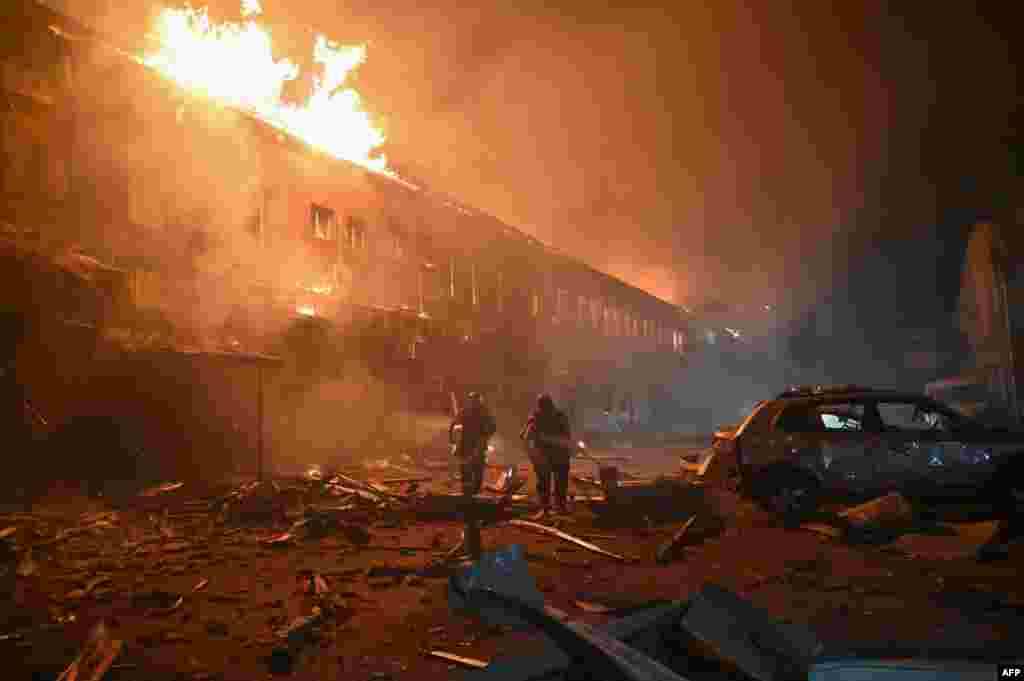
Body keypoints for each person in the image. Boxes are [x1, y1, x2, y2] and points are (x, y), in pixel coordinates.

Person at [520, 393, 573, 517]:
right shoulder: (539, 417)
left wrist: (540, 443)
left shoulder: (548, 416)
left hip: (555, 455)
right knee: (550, 482)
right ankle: (552, 508)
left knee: (553, 483)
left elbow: (526, 437)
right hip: (551, 455)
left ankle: (554, 508)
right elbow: (526, 436)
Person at [449, 392, 496, 497]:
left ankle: (472, 491)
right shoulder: (467, 412)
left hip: (475, 445)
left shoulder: (480, 412)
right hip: (467, 445)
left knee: (475, 469)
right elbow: (454, 426)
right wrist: (453, 441)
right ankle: (469, 491)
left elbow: (492, 428)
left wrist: (453, 441)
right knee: (470, 469)